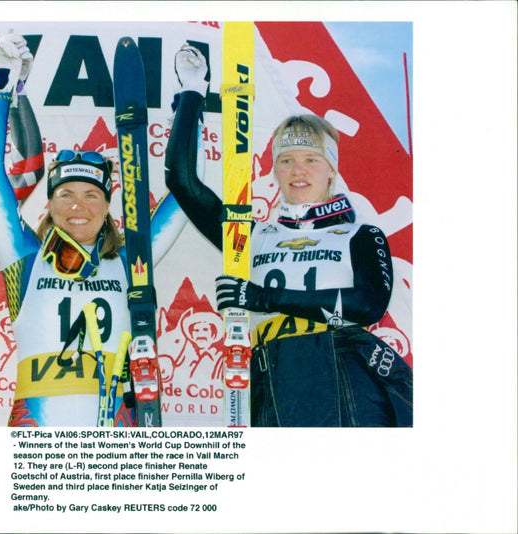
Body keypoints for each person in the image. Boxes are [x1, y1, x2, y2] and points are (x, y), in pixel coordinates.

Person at [164, 45, 412, 427]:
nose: (299, 170)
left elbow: (368, 305)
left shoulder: (360, 233)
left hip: (339, 369)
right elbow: (181, 182)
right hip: (272, 375)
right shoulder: (256, 235)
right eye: (287, 160)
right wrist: (194, 92)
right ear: (275, 171)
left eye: (311, 160)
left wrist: (264, 297)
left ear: (331, 169)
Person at [0, 33, 184, 426]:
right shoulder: (24, 259)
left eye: (91, 195)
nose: (77, 206)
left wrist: (188, 103)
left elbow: (185, 194)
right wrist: (0, 85)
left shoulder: (131, 262)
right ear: (48, 205)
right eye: (66, 194)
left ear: (107, 208)